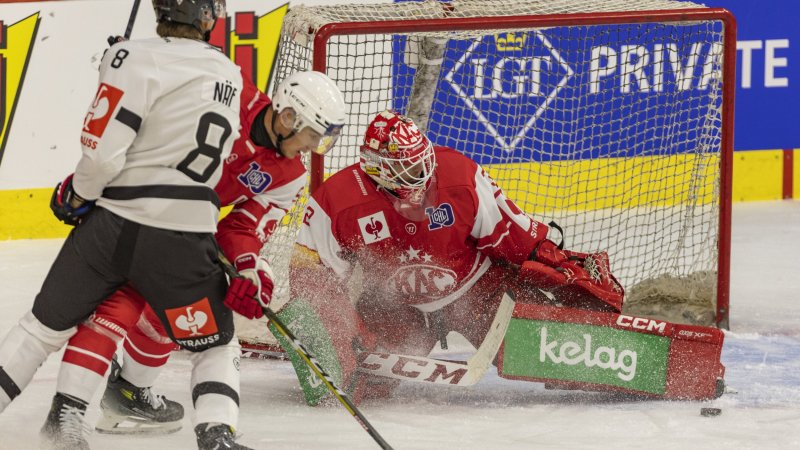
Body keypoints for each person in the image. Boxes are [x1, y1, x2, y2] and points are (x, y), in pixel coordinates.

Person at [0, 1, 248, 449]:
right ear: (209, 17)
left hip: (113, 227)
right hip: (182, 237)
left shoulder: (131, 56)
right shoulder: (230, 72)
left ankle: (64, 419)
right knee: (215, 344)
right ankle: (216, 434)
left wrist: (78, 194)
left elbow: (102, 156)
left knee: (40, 330)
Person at [49, 69, 346, 440]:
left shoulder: (289, 175)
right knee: (109, 310)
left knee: (179, 312)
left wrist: (248, 268)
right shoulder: (229, 90)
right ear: (289, 117)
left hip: (179, 231)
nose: (311, 147)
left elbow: (243, 228)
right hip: (132, 202)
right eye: (312, 135)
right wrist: (90, 181)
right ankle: (65, 416)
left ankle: (127, 393)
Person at [286, 110, 625, 404]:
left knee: (546, 352)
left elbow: (512, 233)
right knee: (366, 381)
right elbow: (312, 276)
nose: (421, 175)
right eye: (408, 169)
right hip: (394, 307)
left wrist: (557, 263)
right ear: (378, 170)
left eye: (422, 162)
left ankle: (619, 358)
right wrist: (337, 333)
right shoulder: (337, 202)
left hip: (479, 292)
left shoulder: (460, 177)